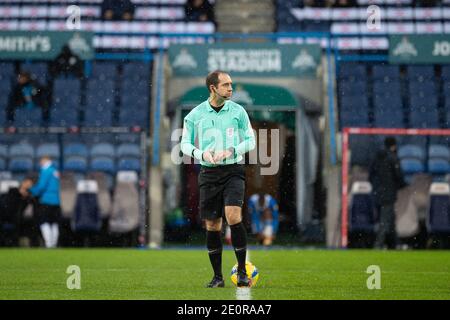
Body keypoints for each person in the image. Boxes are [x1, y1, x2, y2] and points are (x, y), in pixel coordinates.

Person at [180, 70, 256, 288]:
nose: (231, 88)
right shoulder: (194, 115)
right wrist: (202, 154)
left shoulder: (238, 111)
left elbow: (251, 140)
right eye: (226, 85)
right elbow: (184, 144)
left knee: (233, 216)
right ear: (213, 88)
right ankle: (217, 277)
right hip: (209, 172)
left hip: (233, 170)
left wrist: (231, 150)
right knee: (213, 224)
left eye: (231, 84)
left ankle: (242, 272)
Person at [369, 137, 406, 249]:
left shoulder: (376, 157)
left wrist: (376, 187)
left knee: (390, 219)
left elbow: (370, 175)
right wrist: (402, 185)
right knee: (385, 221)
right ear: (393, 145)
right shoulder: (393, 158)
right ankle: (378, 245)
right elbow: (398, 176)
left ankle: (396, 244)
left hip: (377, 193)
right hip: (388, 193)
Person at [29, 156, 61, 248]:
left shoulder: (45, 171)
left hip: (47, 200)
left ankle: (48, 244)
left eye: (41, 161)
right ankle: (54, 244)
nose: (40, 163)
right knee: (54, 223)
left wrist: (31, 190)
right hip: (56, 201)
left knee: (44, 221)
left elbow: (41, 186)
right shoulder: (55, 171)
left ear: (45, 161)